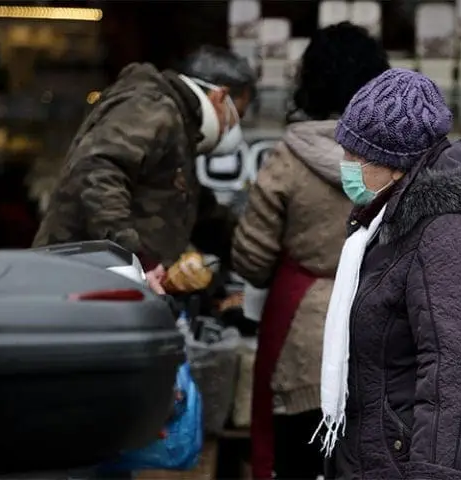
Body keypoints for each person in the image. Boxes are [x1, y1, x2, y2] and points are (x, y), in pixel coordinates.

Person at [315, 68, 461, 479]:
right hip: (385, 459)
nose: (346, 165)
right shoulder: (385, 224)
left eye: (358, 156)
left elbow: (454, 373)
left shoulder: (448, 232)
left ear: (398, 165)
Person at [229, 23, 390, 480]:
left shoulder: (287, 158)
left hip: (300, 344)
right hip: (383, 335)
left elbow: (251, 260)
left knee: (298, 464)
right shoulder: (400, 162)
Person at [32, 46, 249, 293]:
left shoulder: (178, 125)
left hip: (101, 284)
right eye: (236, 115)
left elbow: (186, 204)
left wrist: (254, 247)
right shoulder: (153, 106)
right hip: (77, 283)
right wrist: (136, 259)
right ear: (220, 97)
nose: (231, 128)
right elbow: (98, 171)